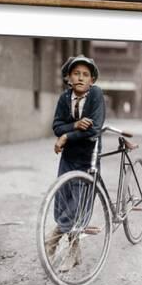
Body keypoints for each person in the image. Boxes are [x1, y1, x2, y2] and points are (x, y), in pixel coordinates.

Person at [47, 55, 106, 271]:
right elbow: (56, 126)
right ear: (68, 78)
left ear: (92, 80)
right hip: (68, 157)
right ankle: (75, 251)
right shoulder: (65, 98)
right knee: (64, 198)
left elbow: (94, 129)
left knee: (79, 204)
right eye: (76, 73)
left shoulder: (96, 95)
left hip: (87, 157)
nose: (80, 78)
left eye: (85, 74)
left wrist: (66, 137)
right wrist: (75, 125)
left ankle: (54, 239)